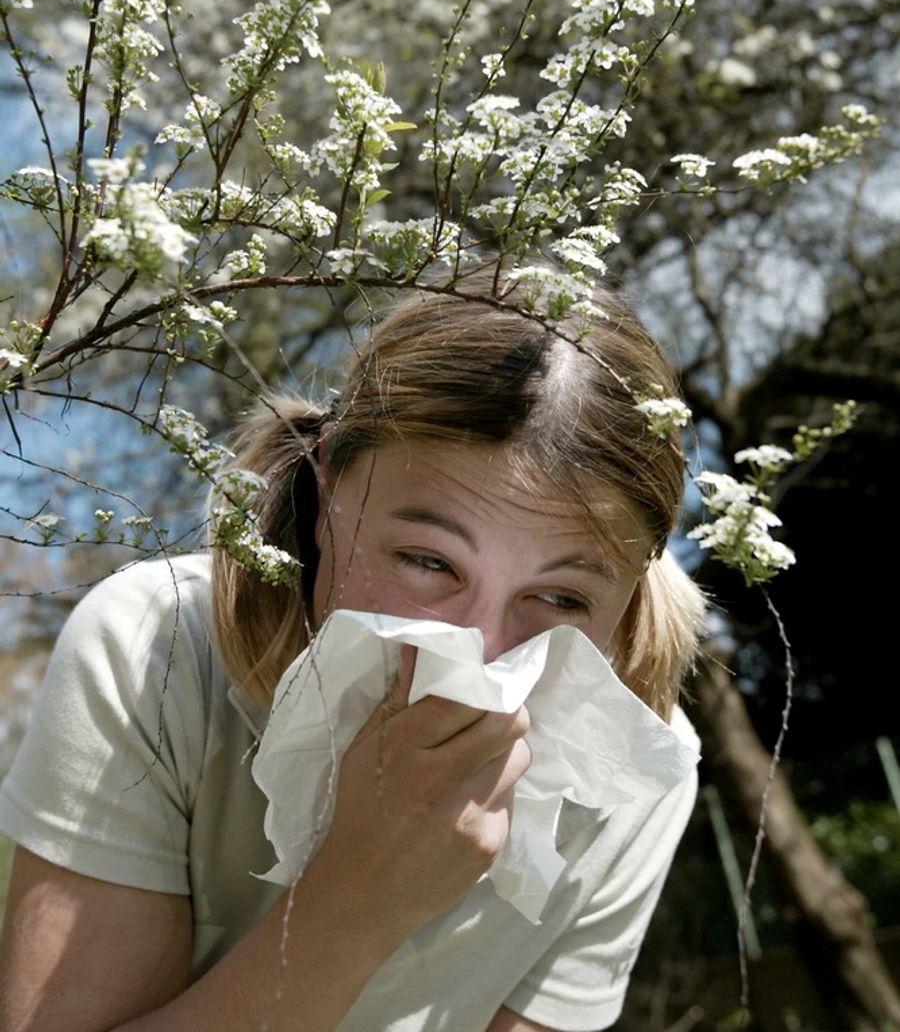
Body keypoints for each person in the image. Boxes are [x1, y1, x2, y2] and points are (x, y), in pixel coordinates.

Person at [0, 279, 706, 1032]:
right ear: (329, 474)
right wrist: (355, 906)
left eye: (561, 600)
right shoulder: (153, 650)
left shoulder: (640, 776)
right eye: (427, 562)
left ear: (635, 581)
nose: (482, 652)